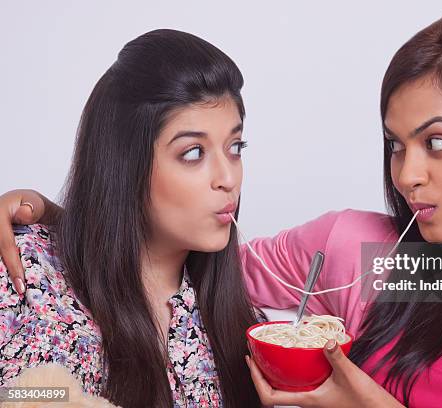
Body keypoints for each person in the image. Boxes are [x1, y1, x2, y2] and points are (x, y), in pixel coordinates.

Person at [2, 12, 442, 407]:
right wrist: (55, 220)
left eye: (439, 142)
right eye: (395, 146)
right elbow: (170, 253)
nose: (408, 174)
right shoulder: (371, 257)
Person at [0, 28, 263, 407]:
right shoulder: (26, 268)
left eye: (235, 147)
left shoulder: (237, 322)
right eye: (193, 153)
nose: (228, 179)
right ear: (126, 165)